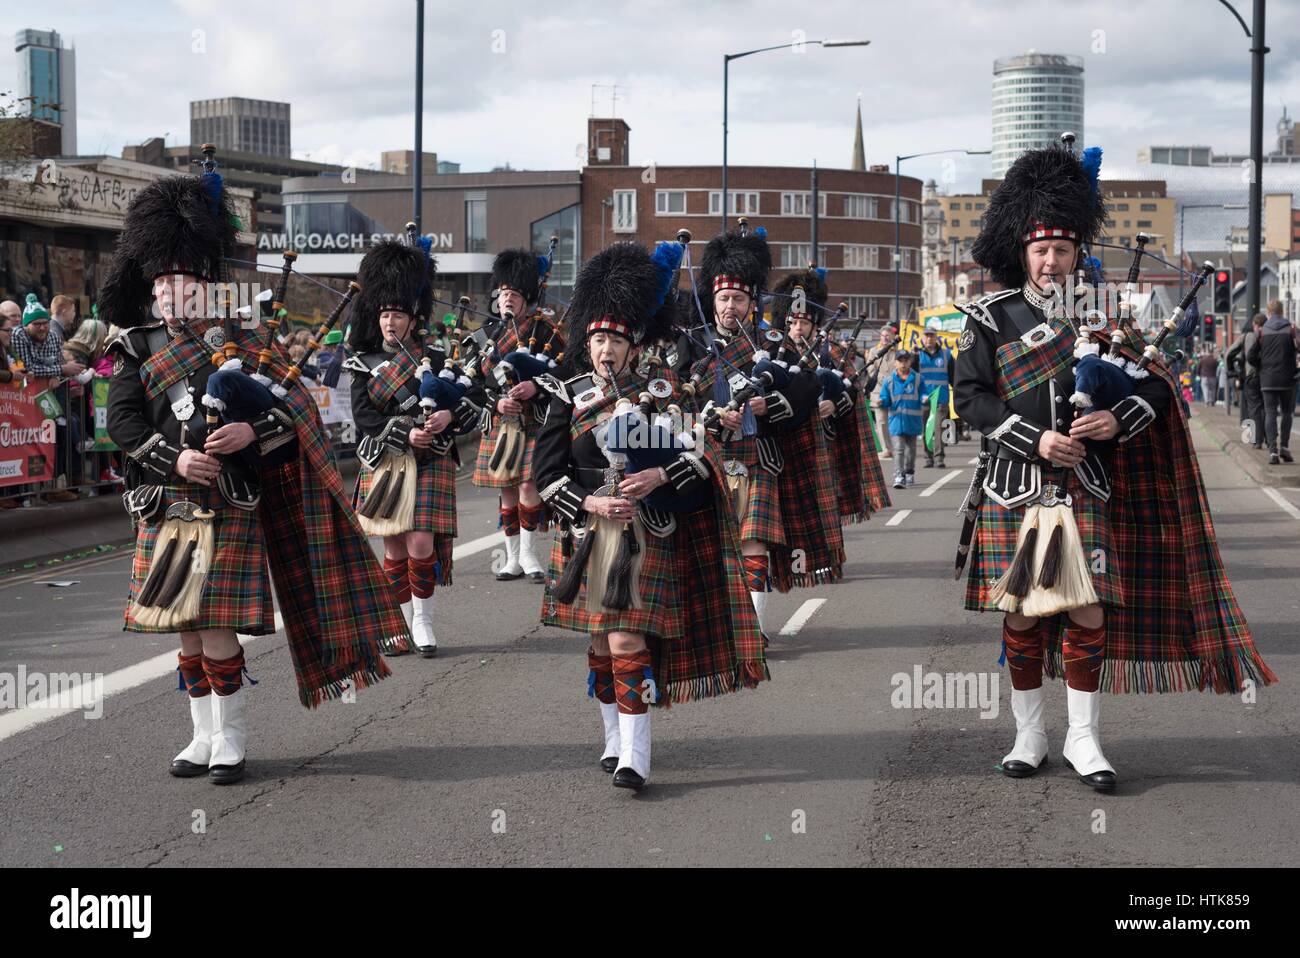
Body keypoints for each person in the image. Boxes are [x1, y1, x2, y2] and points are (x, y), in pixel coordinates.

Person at [954, 144, 1275, 793]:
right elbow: (970, 399)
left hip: (1085, 486)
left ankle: (1084, 738)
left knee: (1087, 609)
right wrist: (1036, 441)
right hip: (1018, 484)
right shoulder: (988, 319)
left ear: (1076, 255)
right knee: (1021, 613)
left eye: (1062, 250)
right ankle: (1029, 734)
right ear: (1022, 250)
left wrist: (1116, 419)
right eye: (1040, 249)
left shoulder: (1102, 318)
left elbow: (1158, 387)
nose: (1051, 261)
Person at [102, 167, 407, 785]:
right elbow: (123, 423)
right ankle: (200, 735)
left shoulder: (240, 338)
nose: (167, 290)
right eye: (159, 280)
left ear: (202, 281)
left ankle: (231, 740)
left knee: (212, 626)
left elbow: (290, 413)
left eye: (178, 278)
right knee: (182, 629)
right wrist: (175, 459)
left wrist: (248, 434)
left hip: (226, 500)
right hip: (165, 497)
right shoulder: (135, 347)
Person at [532, 241, 768, 791]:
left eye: (615, 339)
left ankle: (637, 753)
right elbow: (546, 474)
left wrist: (659, 476)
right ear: (586, 343)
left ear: (633, 344)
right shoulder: (567, 396)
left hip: (647, 533)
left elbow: (702, 455)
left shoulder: (665, 395)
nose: (605, 349)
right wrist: (589, 501)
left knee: (626, 641)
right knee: (598, 645)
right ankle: (613, 737)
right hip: (589, 533)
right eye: (597, 339)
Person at [344, 236, 485, 657]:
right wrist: (404, 432)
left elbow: (474, 401)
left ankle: (421, 620)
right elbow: (363, 417)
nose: (390, 322)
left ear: (413, 317)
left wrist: (448, 417)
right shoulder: (363, 361)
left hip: (431, 459)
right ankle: (397, 623)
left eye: (398, 315)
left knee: (421, 543)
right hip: (388, 460)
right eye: (385, 314)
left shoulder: (439, 358)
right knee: (393, 544)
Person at [472, 249, 563, 583]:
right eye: (503, 293)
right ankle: (511, 558)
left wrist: (536, 388)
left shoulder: (546, 331)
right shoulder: (487, 334)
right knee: (507, 489)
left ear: (527, 298)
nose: (507, 299)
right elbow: (472, 381)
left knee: (528, 485)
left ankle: (528, 553)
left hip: (534, 420)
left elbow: (564, 373)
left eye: (514, 294)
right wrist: (496, 402)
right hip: (501, 421)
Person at [11, 295, 84, 500]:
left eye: (45, 323)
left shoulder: (52, 335)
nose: (43, 328)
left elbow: (56, 367)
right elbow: (28, 370)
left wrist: (56, 372)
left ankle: (56, 485)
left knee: (61, 431)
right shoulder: (18, 335)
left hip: (46, 399)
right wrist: (59, 370)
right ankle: (27, 493)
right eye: (37, 324)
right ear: (27, 325)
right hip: (22, 402)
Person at [1248, 301, 1297, 464]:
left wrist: (1261, 367)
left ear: (1268, 313)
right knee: (1286, 413)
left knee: (1270, 413)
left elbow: (1250, 356)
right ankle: (1284, 447)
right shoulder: (1291, 329)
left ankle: (1273, 452)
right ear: (1282, 312)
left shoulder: (1261, 332)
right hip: (1287, 379)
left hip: (1267, 379)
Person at [877, 350, 923, 488]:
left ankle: (909, 472)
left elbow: (924, 393)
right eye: (900, 361)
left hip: (912, 421)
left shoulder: (918, 379)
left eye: (906, 360)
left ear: (910, 362)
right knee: (898, 449)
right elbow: (885, 398)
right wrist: (882, 401)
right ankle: (898, 475)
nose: (903, 363)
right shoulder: (889, 381)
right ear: (895, 363)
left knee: (911, 450)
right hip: (896, 422)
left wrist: (925, 398)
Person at [917, 327, 953, 468]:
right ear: (922, 339)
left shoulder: (946, 355)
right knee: (926, 429)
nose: (929, 339)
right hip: (923, 399)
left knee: (939, 428)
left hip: (941, 398)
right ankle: (928, 457)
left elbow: (954, 376)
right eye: (926, 336)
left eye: (932, 336)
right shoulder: (917, 355)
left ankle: (939, 458)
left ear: (936, 337)